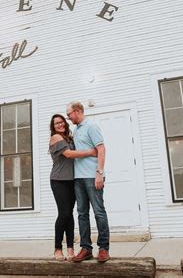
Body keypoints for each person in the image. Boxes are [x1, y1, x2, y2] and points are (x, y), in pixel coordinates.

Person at [49, 114, 97, 261]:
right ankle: (58, 248)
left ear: (65, 123)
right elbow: (69, 154)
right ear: (53, 127)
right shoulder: (56, 138)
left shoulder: (69, 137)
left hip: (72, 180)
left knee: (69, 214)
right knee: (63, 214)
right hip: (59, 180)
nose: (60, 125)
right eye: (56, 123)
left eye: (61, 122)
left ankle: (70, 248)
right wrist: (91, 152)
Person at [66, 101, 110, 263]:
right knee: (82, 213)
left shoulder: (91, 126)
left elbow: (101, 149)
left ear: (77, 111)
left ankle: (104, 248)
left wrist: (100, 173)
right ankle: (86, 248)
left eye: (69, 114)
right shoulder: (76, 129)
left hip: (92, 176)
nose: (68, 117)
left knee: (99, 211)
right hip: (78, 178)